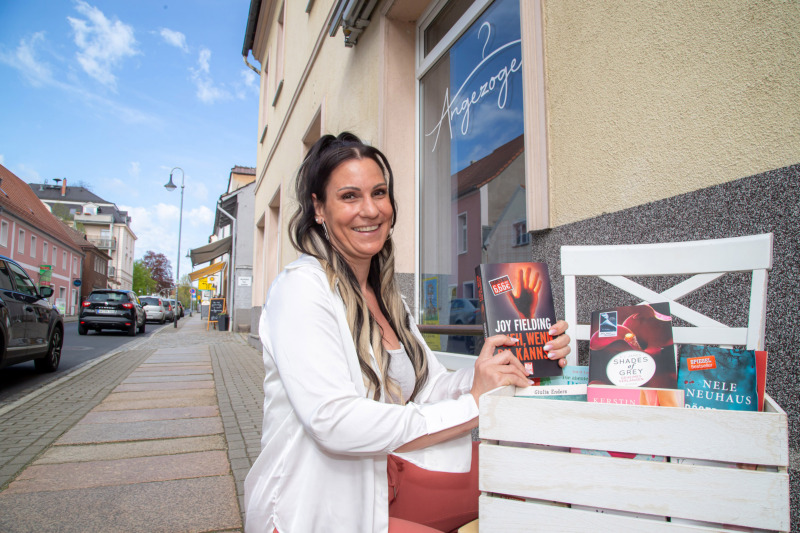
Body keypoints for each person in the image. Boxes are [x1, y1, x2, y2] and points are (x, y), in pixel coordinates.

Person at [244, 132, 571, 533]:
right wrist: (473, 404)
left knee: (536, 472)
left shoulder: (384, 297)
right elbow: (334, 420)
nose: (370, 210)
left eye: (379, 193)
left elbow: (429, 387)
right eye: (349, 196)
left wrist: (505, 362)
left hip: (386, 475)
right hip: (318, 508)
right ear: (319, 209)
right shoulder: (301, 289)